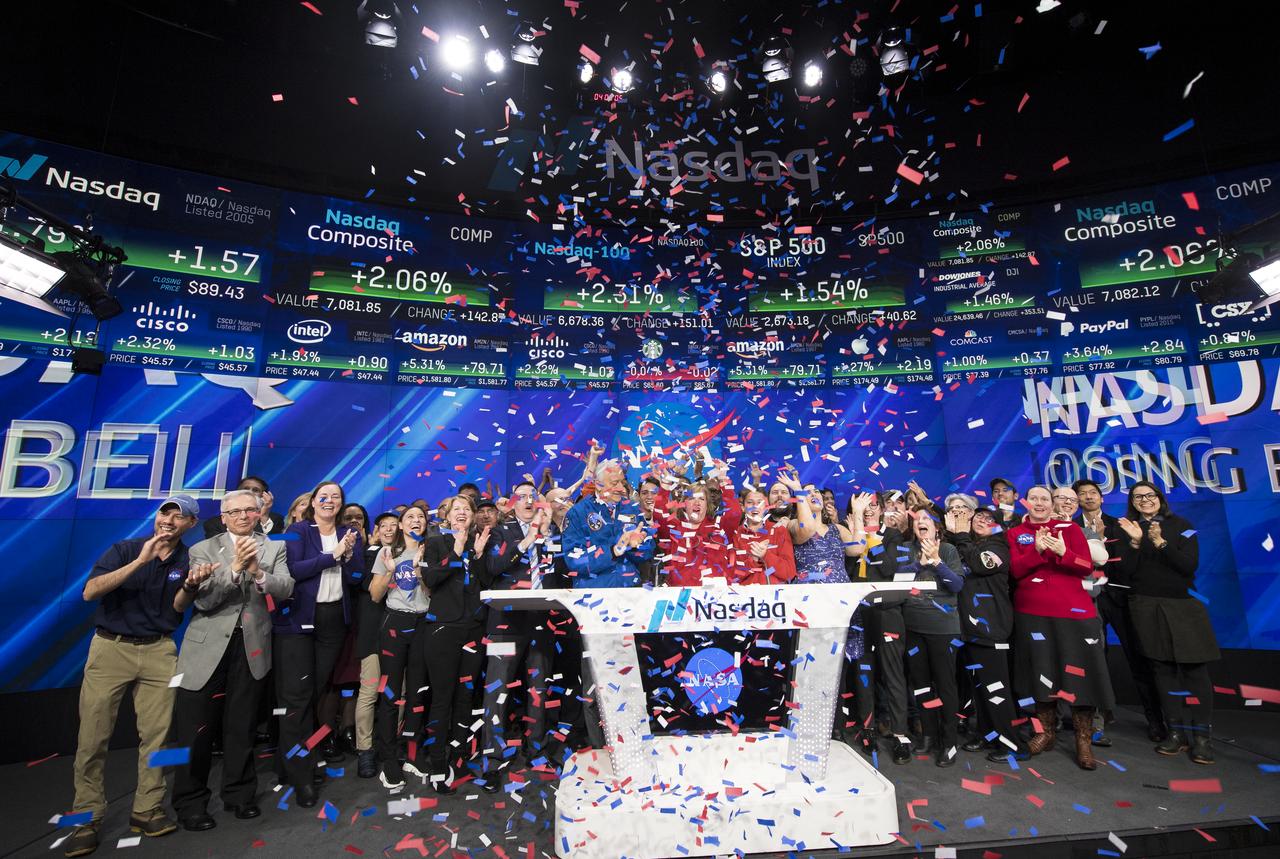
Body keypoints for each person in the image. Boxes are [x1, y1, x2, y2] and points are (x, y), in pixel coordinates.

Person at [62, 495, 207, 859]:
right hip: (111, 648)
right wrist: (141, 560)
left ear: (191, 524)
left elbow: (177, 607)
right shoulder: (125, 549)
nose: (169, 520)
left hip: (160, 650)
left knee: (157, 737)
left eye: (179, 516)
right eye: (165, 512)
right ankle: (85, 819)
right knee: (93, 737)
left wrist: (191, 586)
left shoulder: (188, 559)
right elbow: (90, 592)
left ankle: (147, 809)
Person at [170, 490, 294, 831]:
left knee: (242, 726)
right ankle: (190, 802)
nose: (242, 516)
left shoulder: (274, 548)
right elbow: (204, 601)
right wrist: (236, 568)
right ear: (223, 517)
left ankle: (239, 794)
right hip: (206, 648)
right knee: (196, 730)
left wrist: (258, 573)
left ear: (259, 514)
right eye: (235, 511)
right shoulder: (202, 550)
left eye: (249, 510)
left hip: (253, 647)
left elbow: (286, 588)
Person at [1007, 486, 1114, 771]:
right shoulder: (1016, 533)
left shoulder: (1070, 529)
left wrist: (1064, 551)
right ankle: (1045, 733)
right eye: (1034, 498)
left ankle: (1083, 740)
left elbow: (1085, 567)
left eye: (1045, 498)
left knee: (1081, 679)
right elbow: (1015, 571)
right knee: (1040, 675)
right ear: (1026, 502)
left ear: (1052, 503)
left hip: (1074, 614)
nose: (1039, 503)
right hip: (1032, 614)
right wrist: (1038, 551)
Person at [273, 481, 364, 807]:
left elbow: (356, 579)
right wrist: (332, 556)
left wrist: (349, 557)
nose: (329, 501)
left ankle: (289, 762)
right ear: (313, 502)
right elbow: (293, 571)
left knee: (313, 694)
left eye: (335, 497)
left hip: (332, 622)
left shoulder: (348, 534)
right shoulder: (298, 531)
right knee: (296, 698)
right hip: (298, 621)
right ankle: (302, 775)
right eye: (323, 496)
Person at [1117, 482, 1219, 764]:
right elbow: (1124, 572)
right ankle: (1175, 732)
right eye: (1138, 497)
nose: (1144, 500)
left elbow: (1188, 566)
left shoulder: (1183, 525)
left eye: (1150, 495)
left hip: (1183, 605)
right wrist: (1135, 543)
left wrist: (1161, 543)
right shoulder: (1126, 528)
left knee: (1195, 670)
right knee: (1161, 669)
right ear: (1132, 502)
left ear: (1160, 498)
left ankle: (1202, 737)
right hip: (1146, 605)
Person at [560, 459, 655, 749]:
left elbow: (647, 550)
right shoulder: (579, 513)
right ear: (598, 484)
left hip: (629, 602)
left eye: (622, 482)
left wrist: (639, 543)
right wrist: (615, 549)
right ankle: (600, 745)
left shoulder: (631, 509)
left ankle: (633, 740)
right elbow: (574, 561)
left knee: (631, 675)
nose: (621, 487)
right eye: (614, 483)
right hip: (595, 606)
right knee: (596, 679)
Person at [479, 482, 560, 793]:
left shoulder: (551, 532)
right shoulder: (500, 532)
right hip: (505, 624)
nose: (527, 501)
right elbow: (494, 566)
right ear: (511, 504)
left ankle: (536, 751)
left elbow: (559, 571)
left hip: (541, 623)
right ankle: (492, 761)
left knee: (538, 689)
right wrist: (528, 540)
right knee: (496, 692)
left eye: (532, 496)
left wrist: (547, 535)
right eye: (521, 497)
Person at [1075, 478, 1166, 742]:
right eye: (1083, 493)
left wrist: (1103, 539)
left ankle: (1156, 720)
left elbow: (1128, 562)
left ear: (1102, 497)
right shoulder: (1071, 527)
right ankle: (1097, 722)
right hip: (1087, 599)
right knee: (1093, 660)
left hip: (1120, 598)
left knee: (1138, 659)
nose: (1089, 497)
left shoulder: (1122, 524)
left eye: (1093, 493)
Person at [420, 495, 494, 792]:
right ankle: (438, 762)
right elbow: (430, 578)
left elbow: (487, 582)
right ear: (446, 516)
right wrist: (457, 551)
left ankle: (460, 757)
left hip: (473, 628)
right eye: (456, 510)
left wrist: (478, 555)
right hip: (443, 629)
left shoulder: (480, 542)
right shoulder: (436, 542)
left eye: (467, 509)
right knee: (442, 697)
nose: (462, 513)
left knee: (466, 696)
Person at [948, 504, 1029, 762]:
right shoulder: (968, 544)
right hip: (969, 630)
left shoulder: (999, 547)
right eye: (978, 516)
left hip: (991, 628)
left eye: (989, 518)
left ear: (999, 527)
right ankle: (989, 735)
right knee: (980, 688)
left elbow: (980, 564)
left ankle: (1013, 745)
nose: (982, 520)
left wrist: (961, 535)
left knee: (996, 689)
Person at [892, 511, 967, 767]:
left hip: (943, 629)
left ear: (937, 528)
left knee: (945, 685)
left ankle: (949, 742)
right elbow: (898, 581)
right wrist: (918, 564)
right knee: (921, 684)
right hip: (913, 627)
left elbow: (956, 585)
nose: (921, 523)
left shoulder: (948, 550)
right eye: (917, 520)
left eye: (927, 520)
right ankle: (928, 734)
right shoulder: (906, 548)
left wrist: (935, 562)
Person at [368, 505, 431, 793]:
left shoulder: (432, 551)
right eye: (410, 517)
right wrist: (390, 572)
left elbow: (432, 592)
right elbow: (375, 594)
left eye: (421, 517)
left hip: (423, 624)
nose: (416, 520)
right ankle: (389, 760)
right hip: (394, 622)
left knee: (418, 691)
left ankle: (413, 755)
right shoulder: (387, 552)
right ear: (401, 525)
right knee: (391, 693)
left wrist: (419, 571)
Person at [353, 512, 399, 778]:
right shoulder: (366, 555)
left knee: (398, 691)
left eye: (395, 525)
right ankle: (365, 749)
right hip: (372, 631)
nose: (390, 530)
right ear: (376, 530)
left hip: (400, 631)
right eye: (384, 526)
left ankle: (391, 744)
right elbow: (366, 588)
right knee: (369, 691)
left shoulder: (408, 555)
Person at [651, 458, 741, 586]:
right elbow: (659, 514)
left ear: (707, 505)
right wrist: (666, 482)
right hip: (680, 595)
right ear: (684, 504)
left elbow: (734, 513)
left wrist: (723, 480)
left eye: (702, 499)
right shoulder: (674, 529)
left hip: (716, 596)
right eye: (692, 498)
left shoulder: (719, 528)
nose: (697, 503)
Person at [729, 486, 797, 585]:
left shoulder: (779, 530)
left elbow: (789, 573)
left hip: (775, 593)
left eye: (760, 502)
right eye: (750, 502)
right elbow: (732, 575)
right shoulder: (735, 534)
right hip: (746, 593)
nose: (755, 506)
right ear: (743, 507)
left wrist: (765, 555)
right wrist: (754, 560)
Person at [202, 476, 285, 538]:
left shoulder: (275, 520)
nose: (250, 492)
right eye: (246, 489)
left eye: (255, 490)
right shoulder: (214, 523)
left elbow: (274, 547)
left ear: (264, 496)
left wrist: (263, 516)